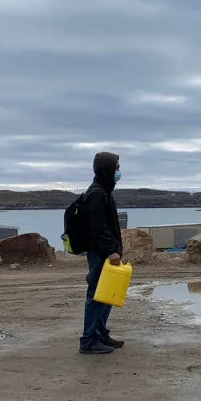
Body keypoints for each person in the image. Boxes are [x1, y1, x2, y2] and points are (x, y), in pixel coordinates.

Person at [80, 152, 125, 355]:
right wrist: (110, 251)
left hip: (106, 253)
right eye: (116, 167)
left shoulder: (104, 191)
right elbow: (98, 228)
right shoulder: (97, 193)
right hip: (101, 254)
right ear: (106, 168)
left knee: (106, 295)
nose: (118, 171)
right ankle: (89, 340)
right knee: (96, 296)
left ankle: (99, 333)